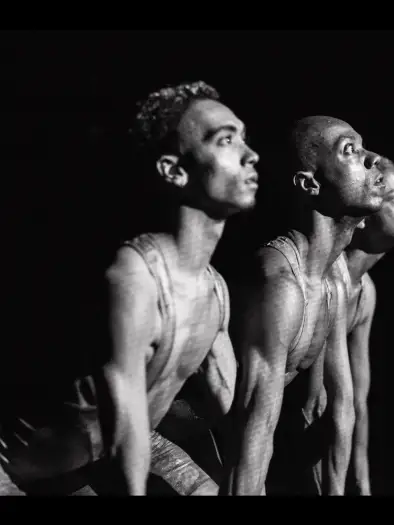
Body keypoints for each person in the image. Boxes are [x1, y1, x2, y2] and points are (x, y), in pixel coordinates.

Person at [0, 81, 258, 495]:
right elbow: (124, 423)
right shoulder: (134, 277)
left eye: (243, 137)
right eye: (226, 140)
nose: (251, 154)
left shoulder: (214, 289)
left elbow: (226, 408)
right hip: (23, 472)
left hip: (119, 448)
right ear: (174, 170)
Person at [218, 116, 385, 495]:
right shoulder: (280, 282)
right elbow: (253, 422)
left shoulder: (330, 279)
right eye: (350, 150)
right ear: (310, 183)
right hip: (163, 435)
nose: (372, 159)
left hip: (220, 440)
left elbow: (327, 407)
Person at [282, 157, 394, 495]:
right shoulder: (330, 279)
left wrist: (362, 484)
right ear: (365, 217)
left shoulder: (364, 290)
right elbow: (314, 405)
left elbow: (357, 400)